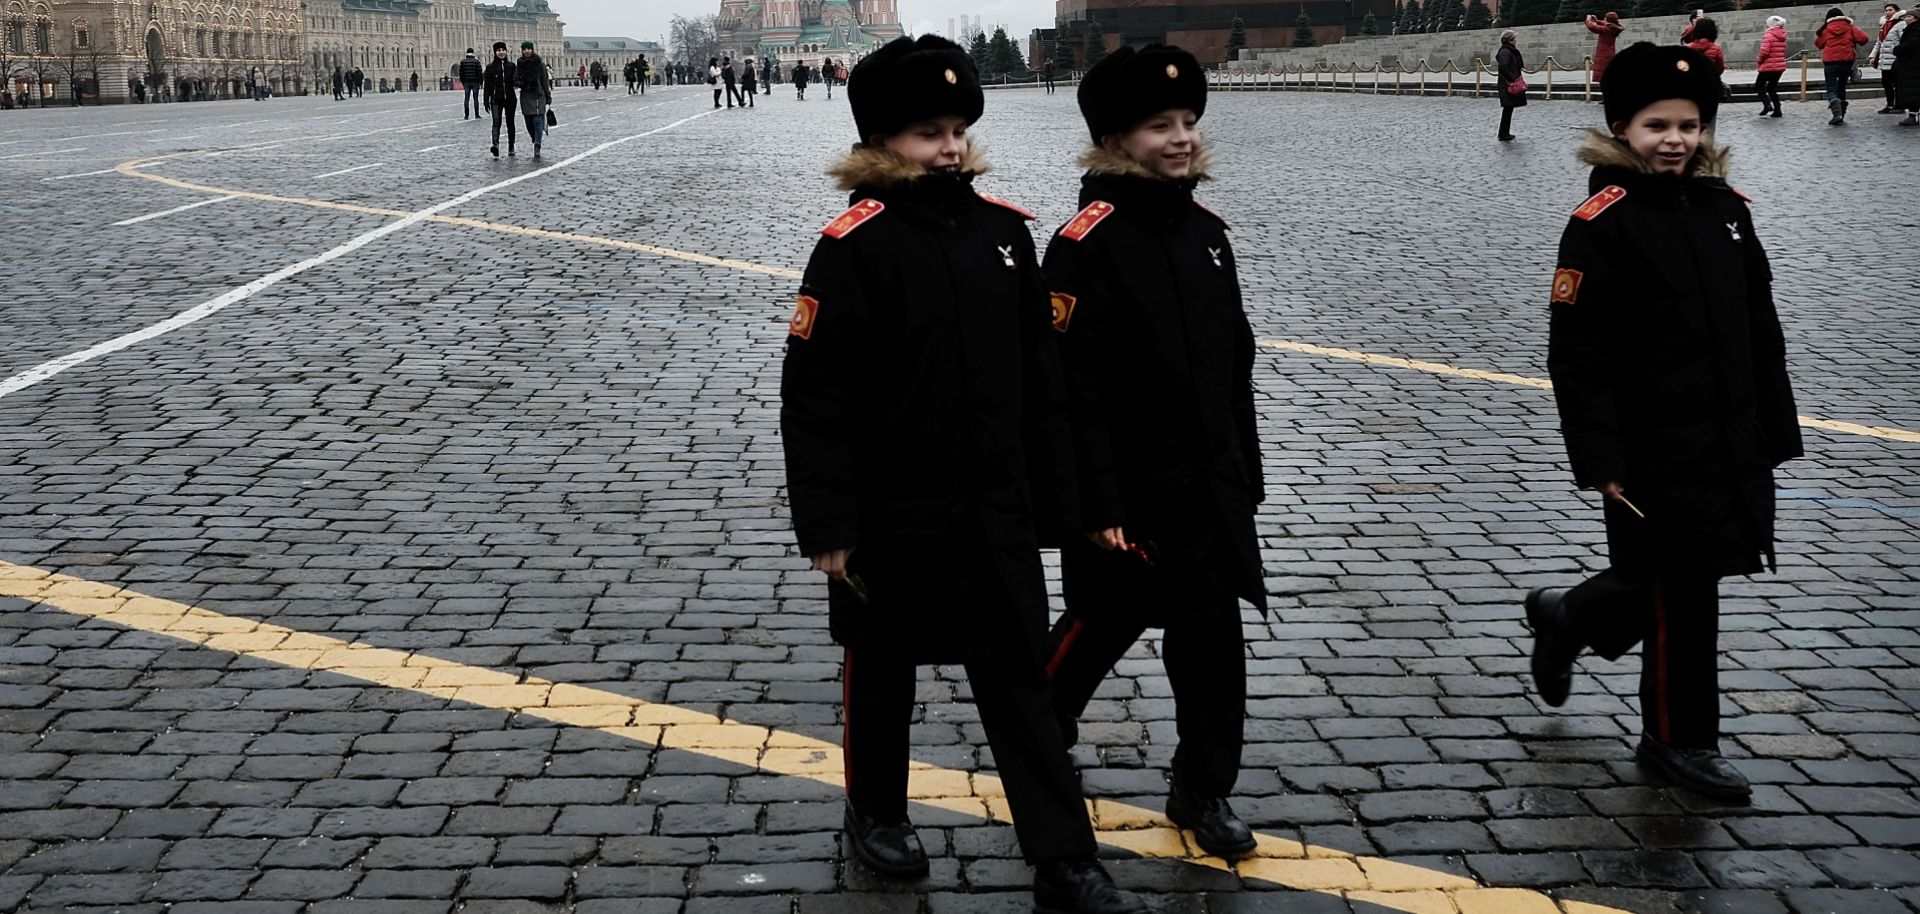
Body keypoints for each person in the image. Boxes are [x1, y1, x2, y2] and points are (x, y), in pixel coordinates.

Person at [781, 33, 1149, 914]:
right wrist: (829, 526)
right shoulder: (851, 247)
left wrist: (1070, 503)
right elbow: (816, 398)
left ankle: (1064, 856)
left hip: (994, 507)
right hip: (890, 509)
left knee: (1019, 679)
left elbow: (1043, 385)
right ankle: (874, 809)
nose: (947, 148)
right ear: (879, 142)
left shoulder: (1002, 236)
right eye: (924, 134)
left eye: (955, 130)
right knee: (882, 668)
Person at [1532, 41, 1801, 805]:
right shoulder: (1601, 224)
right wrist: (1600, 455)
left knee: (1686, 571)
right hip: (1648, 444)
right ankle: (1679, 739)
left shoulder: (1728, 213)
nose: (1676, 139)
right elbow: (1576, 354)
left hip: (1725, 435)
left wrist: (1773, 430)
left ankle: (1568, 614)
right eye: (1657, 125)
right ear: (1623, 130)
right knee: (1685, 587)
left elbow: (1760, 330)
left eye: (1689, 124)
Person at [1041, 44, 1266, 862]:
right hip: (1129, 489)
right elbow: (1072, 389)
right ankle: (1038, 720)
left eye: (1188, 122)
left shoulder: (1208, 235)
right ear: (1113, 140)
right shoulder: (1084, 243)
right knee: (1106, 618)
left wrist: (1245, 469)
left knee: (1211, 639)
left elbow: (1233, 364)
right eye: (1157, 126)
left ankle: (1203, 787)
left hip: (1208, 484)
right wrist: (1095, 504)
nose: (1180, 138)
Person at [1816, 6, 1872, 123]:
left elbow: (1818, 44)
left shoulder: (1826, 29)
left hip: (1830, 62)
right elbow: (1864, 39)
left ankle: (1837, 113)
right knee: (1842, 86)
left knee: (1831, 88)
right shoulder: (1850, 27)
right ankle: (1842, 113)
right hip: (1846, 61)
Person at [516, 41, 552, 158]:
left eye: (529, 49)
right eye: (524, 49)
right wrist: (523, 83)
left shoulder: (539, 64)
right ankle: (534, 137)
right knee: (528, 121)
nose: (527, 51)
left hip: (538, 94)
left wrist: (548, 96)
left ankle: (537, 144)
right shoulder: (520, 64)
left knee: (537, 120)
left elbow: (544, 81)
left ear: (532, 50)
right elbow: (515, 80)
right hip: (526, 95)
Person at [483, 41, 518, 158]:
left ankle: (511, 146)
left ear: (506, 51)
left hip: (510, 99)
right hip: (496, 99)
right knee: (496, 122)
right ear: (495, 52)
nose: (501, 52)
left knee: (510, 122)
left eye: (503, 50)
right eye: (498, 50)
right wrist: (485, 100)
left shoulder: (512, 66)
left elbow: (517, 80)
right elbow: (487, 85)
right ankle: (495, 145)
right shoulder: (490, 67)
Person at [1874, 3, 1904, 111]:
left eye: (1890, 10)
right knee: (1886, 82)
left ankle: (1899, 105)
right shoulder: (1884, 25)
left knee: (1897, 83)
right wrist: (1873, 56)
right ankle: (1889, 104)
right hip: (1884, 59)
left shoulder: (1901, 24)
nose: (1887, 12)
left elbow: (1902, 40)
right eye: (1886, 10)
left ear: (1897, 11)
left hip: (1895, 59)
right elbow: (1879, 42)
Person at [1497, 30, 1527, 141]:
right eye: (1514, 39)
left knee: (1508, 109)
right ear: (1510, 40)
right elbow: (1503, 66)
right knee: (1507, 109)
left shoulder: (1508, 50)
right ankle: (1503, 133)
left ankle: (1504, 132)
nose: (1516, 41)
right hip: (1507, 84)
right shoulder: (1506, 51)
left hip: (1508, 83)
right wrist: (1512, 78)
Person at [1757, 16, 1789, 117]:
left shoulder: (1768, 35)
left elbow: (1764, 51)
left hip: (1768, 66)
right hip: (1779, 66)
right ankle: (1777, 110)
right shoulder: (1782, 35)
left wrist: (1759, 60)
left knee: (1758, 86)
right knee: (1772, 88)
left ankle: (1767, 105)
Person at [1894, 5, 1920, 123]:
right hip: (1909, 65)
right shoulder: (1910, 28)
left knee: (1913, 90)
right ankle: (1913, 114)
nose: (1906, 19)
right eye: (1906, 17)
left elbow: (1913, 45)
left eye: (1909, 16)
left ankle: (1913, 115)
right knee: (1913, 90)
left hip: (1914, 65)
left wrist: (1898, 49)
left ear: (1916, 18)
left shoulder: (1916, 29)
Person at [1585, 12, 1624, 85]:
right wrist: (1596, 21)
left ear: (1608, 19)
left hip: (1603, 54)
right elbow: (1605, 24)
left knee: (1603, 75)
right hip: (1609, 52)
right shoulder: (1613, 28)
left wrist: (1588, 20)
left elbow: (1592, 27)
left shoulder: (1606, 30)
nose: (1604, 19)